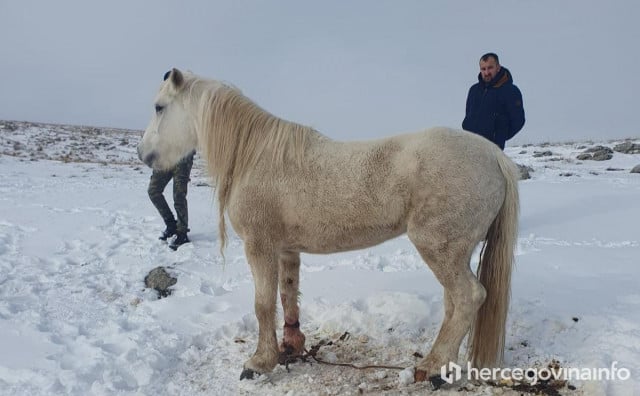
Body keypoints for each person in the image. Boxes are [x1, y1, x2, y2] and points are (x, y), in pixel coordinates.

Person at [462, 52, 525, 150]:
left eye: (490, 68)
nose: (486, 72)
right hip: (470, 146)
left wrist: (499, 137)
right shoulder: (474, 90)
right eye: (483, 69)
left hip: (492, 150)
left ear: (498, 67)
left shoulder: (510, 91)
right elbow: (468, 115)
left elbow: (518, 121)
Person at [147, 151, 195, 250]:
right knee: (153, 191)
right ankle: (171, 225)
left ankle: (182, 232)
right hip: (164, 154)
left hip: (183, 155)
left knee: (179, 196)